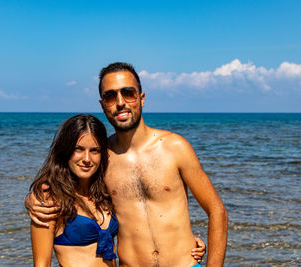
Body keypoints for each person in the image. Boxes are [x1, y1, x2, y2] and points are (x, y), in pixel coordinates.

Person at [27, 62, 226, 266]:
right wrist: (33, 199)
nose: (120, 102)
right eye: (110, 96)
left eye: (128, 93)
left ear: (141, 98)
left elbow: (216, 210)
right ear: (103, 104)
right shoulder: (101, 158)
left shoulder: (175, 147)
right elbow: (68, 185)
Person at [30, 114, 118, 267]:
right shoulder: (50, 200)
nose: (86, 158)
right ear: (66, 150)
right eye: (78, 149)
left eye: (94, 150)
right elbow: (41, 263)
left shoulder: (105, 192)